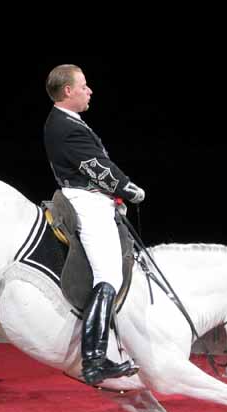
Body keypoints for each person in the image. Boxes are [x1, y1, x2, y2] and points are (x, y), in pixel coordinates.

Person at [44, 64, 145, 385]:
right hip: (86, 202)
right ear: (68, 91)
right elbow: (95, 167)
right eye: (84, 86)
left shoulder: (67, 122)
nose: (90, 90)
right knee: (108, 276)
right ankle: (94, 360)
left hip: (90, 199)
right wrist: (129, 188)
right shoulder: (64, 126)